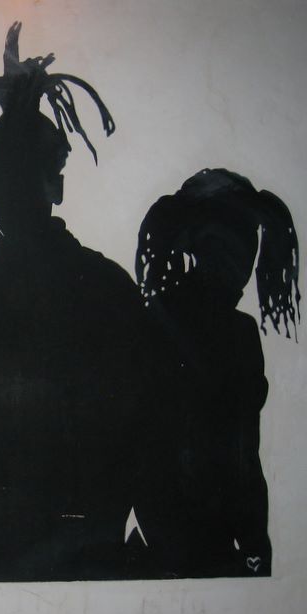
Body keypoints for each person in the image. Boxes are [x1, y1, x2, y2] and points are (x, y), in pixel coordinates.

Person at [0, 22, 153, 581]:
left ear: (55, 185)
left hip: (72, 558)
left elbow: (141, 435)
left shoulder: (100, 289)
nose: (10, 187)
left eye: (25, 172)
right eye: (4, 172)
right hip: (13, 560)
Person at [133, 168, 299, 578]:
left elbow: (243, 458)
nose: (245, 267)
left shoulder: (160, 321)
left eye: (247, 251)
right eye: (235, 250)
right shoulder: (227, 334)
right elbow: (240, 459)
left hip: (183, 544)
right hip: (189, 547)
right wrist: (255, 547)